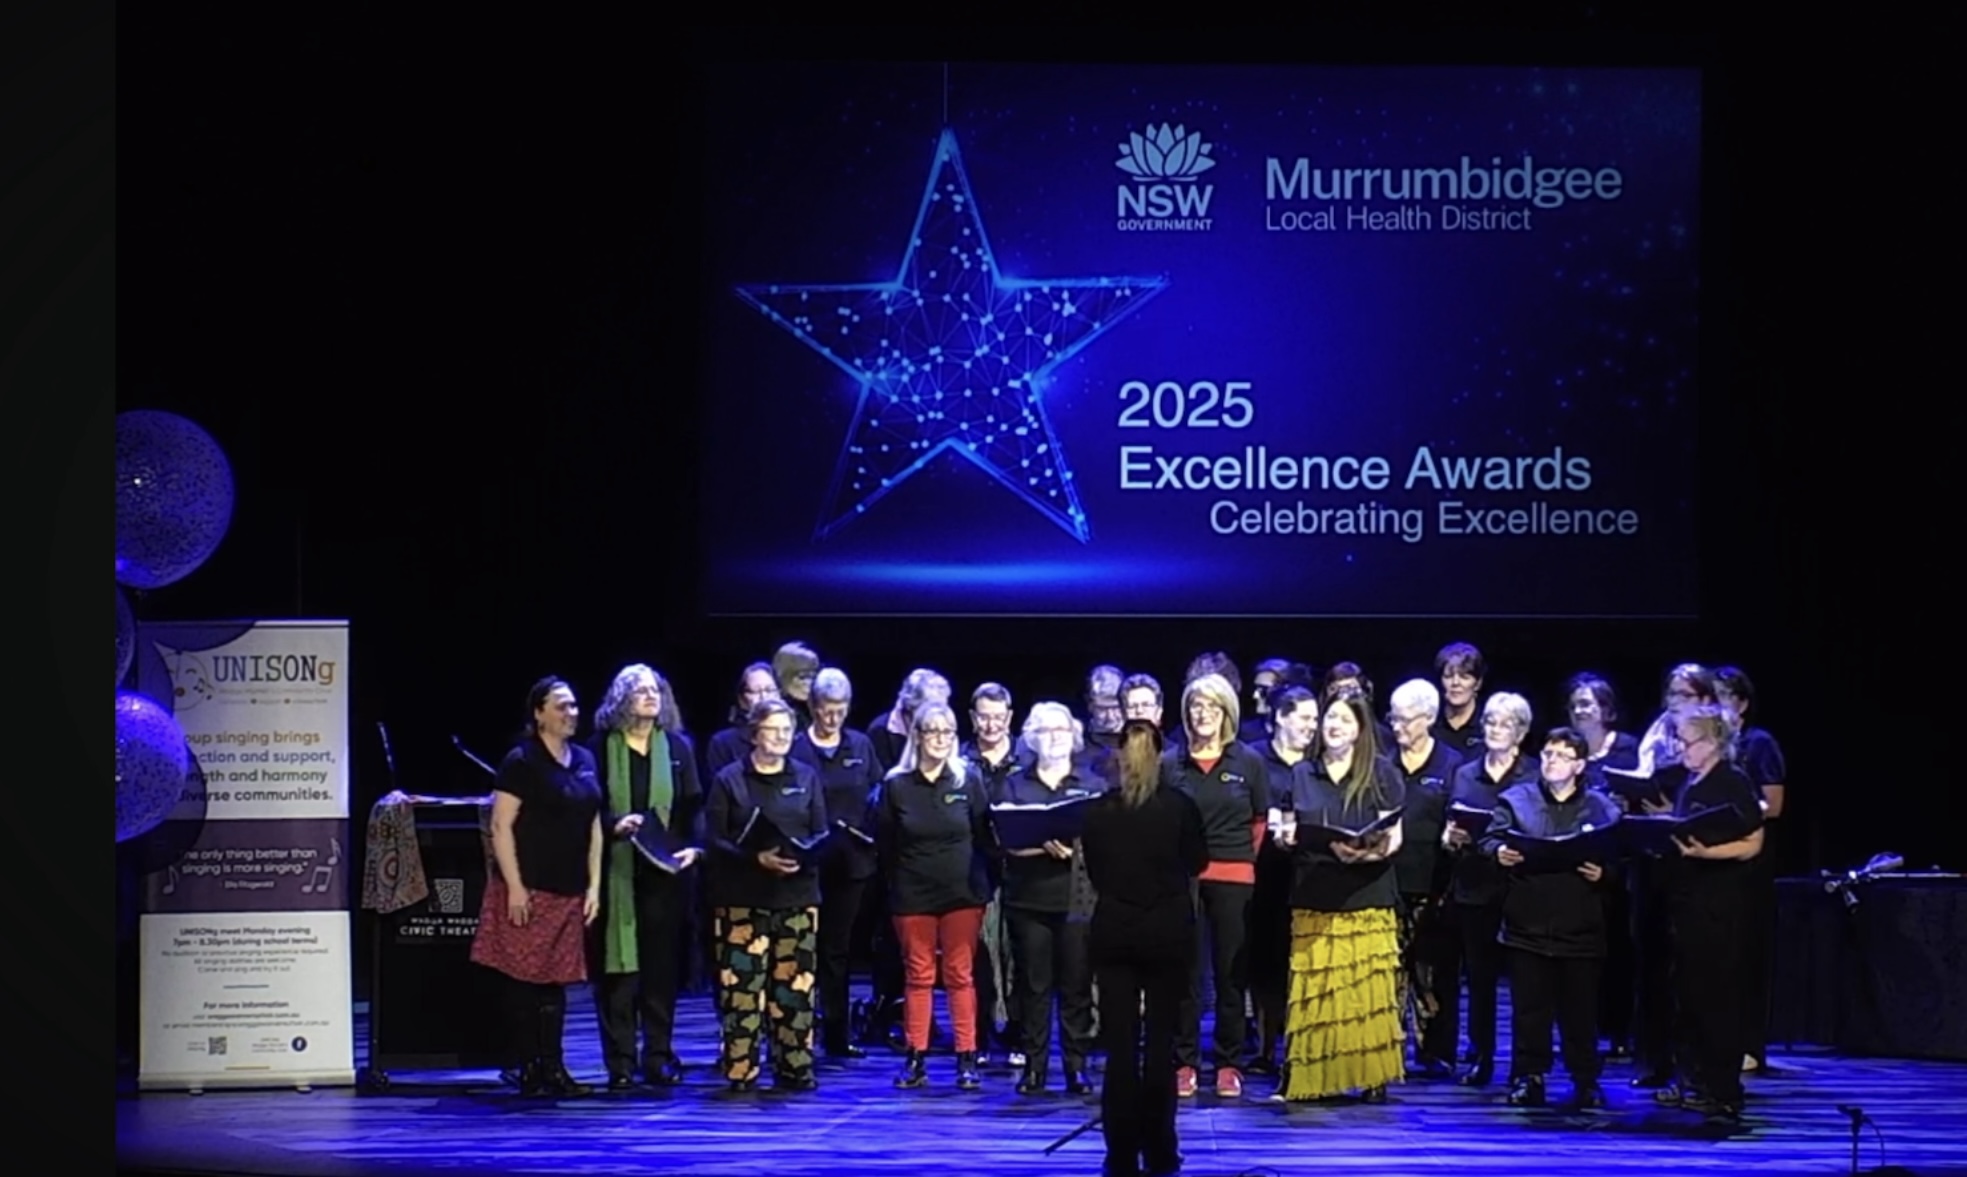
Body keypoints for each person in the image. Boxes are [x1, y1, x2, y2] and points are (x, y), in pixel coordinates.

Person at [1081, 719, 1206, 1177]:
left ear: (1120, 756)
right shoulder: (1180, 806)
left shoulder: (1098, 812)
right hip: (1167, 933)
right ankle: (1161, 1150)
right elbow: (1198, 861)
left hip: (1115, 932)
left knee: (1120, 1047)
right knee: (1159, 1044)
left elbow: (1096, 872)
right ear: (1159, 756)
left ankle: (1119, 1153)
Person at [470, 676, 604, 1098]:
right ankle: (528, 1066)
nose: (571, 713)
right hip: (529, 888)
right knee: (524, 980)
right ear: (539, 713)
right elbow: (500, 826)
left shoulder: (584, 759)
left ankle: (554, 1067)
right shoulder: (522, 761)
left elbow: (594, 825)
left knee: (555, 983)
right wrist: (514, 886)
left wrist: (594, 887)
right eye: (562, 706)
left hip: (569, 890)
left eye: (574, 705)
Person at [1274, 689, 1407, 1103]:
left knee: (1364, 991)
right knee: (1317, 991)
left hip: (1366, 892)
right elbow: (1286, 827)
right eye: (1329, 718)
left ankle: (1371, 1076)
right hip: (1314, 892)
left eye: (1345, 720)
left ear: (1361, 730)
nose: (1334, 726)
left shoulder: (1381, 772)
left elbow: (1395, 836)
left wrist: (1365, 853)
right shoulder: (1302, 772)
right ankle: (1312, 1076)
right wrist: (1285, 838)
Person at [1478, 727, 1621, 1110]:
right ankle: (1529, 1077)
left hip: (1581, 927)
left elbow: (1622, 859)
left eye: (1562, 756)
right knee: (1530, 1012)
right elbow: (1489, 840)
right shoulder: (1516, 799)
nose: (1552, 761)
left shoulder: (1601, 808)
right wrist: (1498, 853)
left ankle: (1585, 1079)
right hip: (1527, 925)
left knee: (1580, 1013)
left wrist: (1605, 874)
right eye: (1547, 754)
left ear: (1579, 765)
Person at [587, 664, 703, 1090]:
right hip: (614, 872)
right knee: (617, 975)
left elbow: (694, 806)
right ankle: (620, 1062)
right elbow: (587, 807)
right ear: (621, 699)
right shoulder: (600, 748)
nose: (651, 696)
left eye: (655, 690)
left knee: (660, 970)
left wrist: (695, 848)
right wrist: (613, 824)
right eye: (640, 690)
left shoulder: (677, 747)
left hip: (664, 874)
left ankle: (658, 1056)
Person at [703, 699, 827, 1092]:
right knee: (742, 991)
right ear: (754, 733)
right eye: (773, 729)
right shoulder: (729, 780)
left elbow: (820, 830)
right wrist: (754, 858)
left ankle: (795, 1067)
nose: (781, 737)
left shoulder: (806, 776)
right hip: (743, 899)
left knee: (795, 990)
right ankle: (741, 1071)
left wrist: (805, 854)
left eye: (787, 730)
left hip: (797, 897)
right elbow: (714, 839)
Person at [874, 699, 995, 1090]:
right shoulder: (896, 785)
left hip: (962, 893)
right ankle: (915, 1059)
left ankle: (966, 1057)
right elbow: (886, 842)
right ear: (918, 736)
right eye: (933, 731)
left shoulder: (968, 779)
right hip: (913, 894)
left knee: (960, 974)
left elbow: (984, 835)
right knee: (919, 975)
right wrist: (900, 882)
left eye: (948, 732)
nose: (941, 739)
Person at [1654, 703, 1765, 1120]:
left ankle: (1722, 1089)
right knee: (1687, 997)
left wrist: (1707, 853)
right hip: (1686, 904)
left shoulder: (1732, 780)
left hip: (1719, 906)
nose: (1681, 749)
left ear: (1713, 741)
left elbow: (1753, 843)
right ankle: (1691, 1079)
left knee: (1716, 998)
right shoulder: (1690, 781)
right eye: (1679, 741)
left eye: (1688, 742)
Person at [1165, 672, 1270, 1100]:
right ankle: (1184, 1062)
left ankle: (1228, 1064)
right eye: (1196, 706)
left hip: (1233, 879)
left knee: (1231, 976)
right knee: (1185, 975)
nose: (1203, 714)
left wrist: (1241, 862)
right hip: (1183, 881)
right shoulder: (1170, 763)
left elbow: (1259, 821)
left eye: (1212, 706)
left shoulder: (1248, 762)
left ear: (1227, 711)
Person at [996, 700, 1104, 1095]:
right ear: (1031, 738)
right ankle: (1035, 1067)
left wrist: (1078, 848)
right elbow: (1004, 837)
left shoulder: (1092, 784)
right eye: (1045, 730)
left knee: (1077, 987)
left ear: (1074, 736)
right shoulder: (1014, 785)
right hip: (1028, 899)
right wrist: (1040, 844)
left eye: (1062, 730)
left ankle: (1076, 1066)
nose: (1055, 737)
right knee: (1034, 987)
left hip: (1077, 900)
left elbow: (1106, 839)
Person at [1439, 691, 1536, 1086]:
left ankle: (1525, 1064)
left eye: (1505, 724)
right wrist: (1451, 838)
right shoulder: (1465, 773)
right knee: (1479, 980)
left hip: (1520, 888)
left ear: (1521, 733)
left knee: (1525, 983)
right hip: (1475, 885)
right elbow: (1451, 827)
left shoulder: (1533, 775)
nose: (1495, 730)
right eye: (1491, 722)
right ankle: (1481, 1055)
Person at [787, 667, 883, 1061]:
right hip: (805, 864)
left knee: (836, 950)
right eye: (826, 709)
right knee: (799, 949)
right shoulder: (796, 748)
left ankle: (837, 1033)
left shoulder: (860, 745)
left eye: (840, 710)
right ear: (812, 707)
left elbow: (877, 795)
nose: (833, 717)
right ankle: (796, 1031)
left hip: (850, 864)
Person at [1383, 678, 1464, 1078]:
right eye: (1393, 718)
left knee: (1435, 973)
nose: (1397, 727)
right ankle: (1389, 1049)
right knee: (1390, 972)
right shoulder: (1383, 762)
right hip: (1389, 881)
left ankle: (1437, 1052)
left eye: (1406, 719)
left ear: (1429, 718)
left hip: (1435, 885)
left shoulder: (1452, 765)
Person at [1714, 665, 1788, 1075]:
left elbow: (1773, 805)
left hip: (1752, 859)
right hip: (1715, 859)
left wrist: (1733, 810)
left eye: (1723, 696)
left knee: (1747, 952)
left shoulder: (1758, 743)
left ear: (1741, 704)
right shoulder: (1706, 746)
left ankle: (1748, 1044)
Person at [1247, 683, 1319, 1076]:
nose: (1313, 726)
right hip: (1266, 875)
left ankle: (1302, 1045)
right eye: (1305, 718)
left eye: (1315, 718)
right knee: (1265, 962)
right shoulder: (1256, 759)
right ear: (1280, 717)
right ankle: (1265, 1048)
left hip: (1309, 875)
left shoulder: (1319, 761)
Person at [703, 662, 781, 779]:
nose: (764, 697)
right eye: (756, 691)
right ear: (742, 700)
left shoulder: (792, 738)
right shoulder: (723, 743)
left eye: (769, 690)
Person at [1430, 642, 1487, 757]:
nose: (1455, 683)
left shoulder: (1488, 724)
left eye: (1464, 677)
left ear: (1478, 684)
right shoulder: (1430, 723)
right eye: (1448, 676)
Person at [772, 642, 821, 729]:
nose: (810, 683)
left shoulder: (814, 710)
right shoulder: (776, 714)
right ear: (784, 677)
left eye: (813, 676)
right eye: (802, 677)